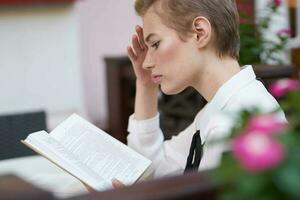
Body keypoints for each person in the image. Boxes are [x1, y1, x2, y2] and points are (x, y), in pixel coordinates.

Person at [123, 0, 286, 180]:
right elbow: (153, 171)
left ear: (199, 33)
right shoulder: (216, 111)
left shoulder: (231, 125)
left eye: (155, 44)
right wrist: (146, 85)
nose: (146, 63)